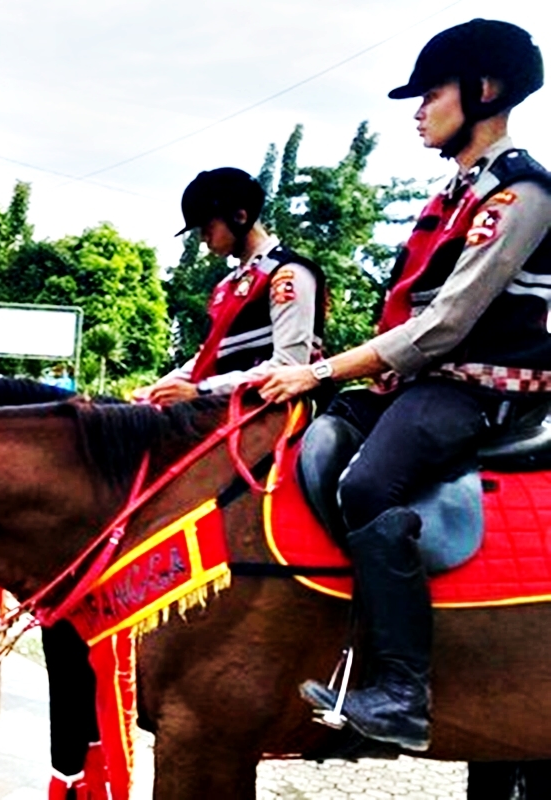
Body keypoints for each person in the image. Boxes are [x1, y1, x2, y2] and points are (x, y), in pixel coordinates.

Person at [261, 19, 550, 752]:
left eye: (431, 93)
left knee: (367, 485)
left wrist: (321, 368)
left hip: (481, 387)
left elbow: (445, 326)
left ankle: (401, 691)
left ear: (483, 92)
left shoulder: (521, 196)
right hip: (419, 380)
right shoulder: (456, 195)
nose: (418, 110)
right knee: (314, 442)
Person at [135, 168, 324, 406]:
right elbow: (207, 357)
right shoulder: (226, 286)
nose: (203, 238)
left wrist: (201, 391)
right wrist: (157, 390)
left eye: (207, 227)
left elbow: (288, 366)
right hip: (222, 406)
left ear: (240, 217)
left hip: (273, 409)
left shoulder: (287, 274)